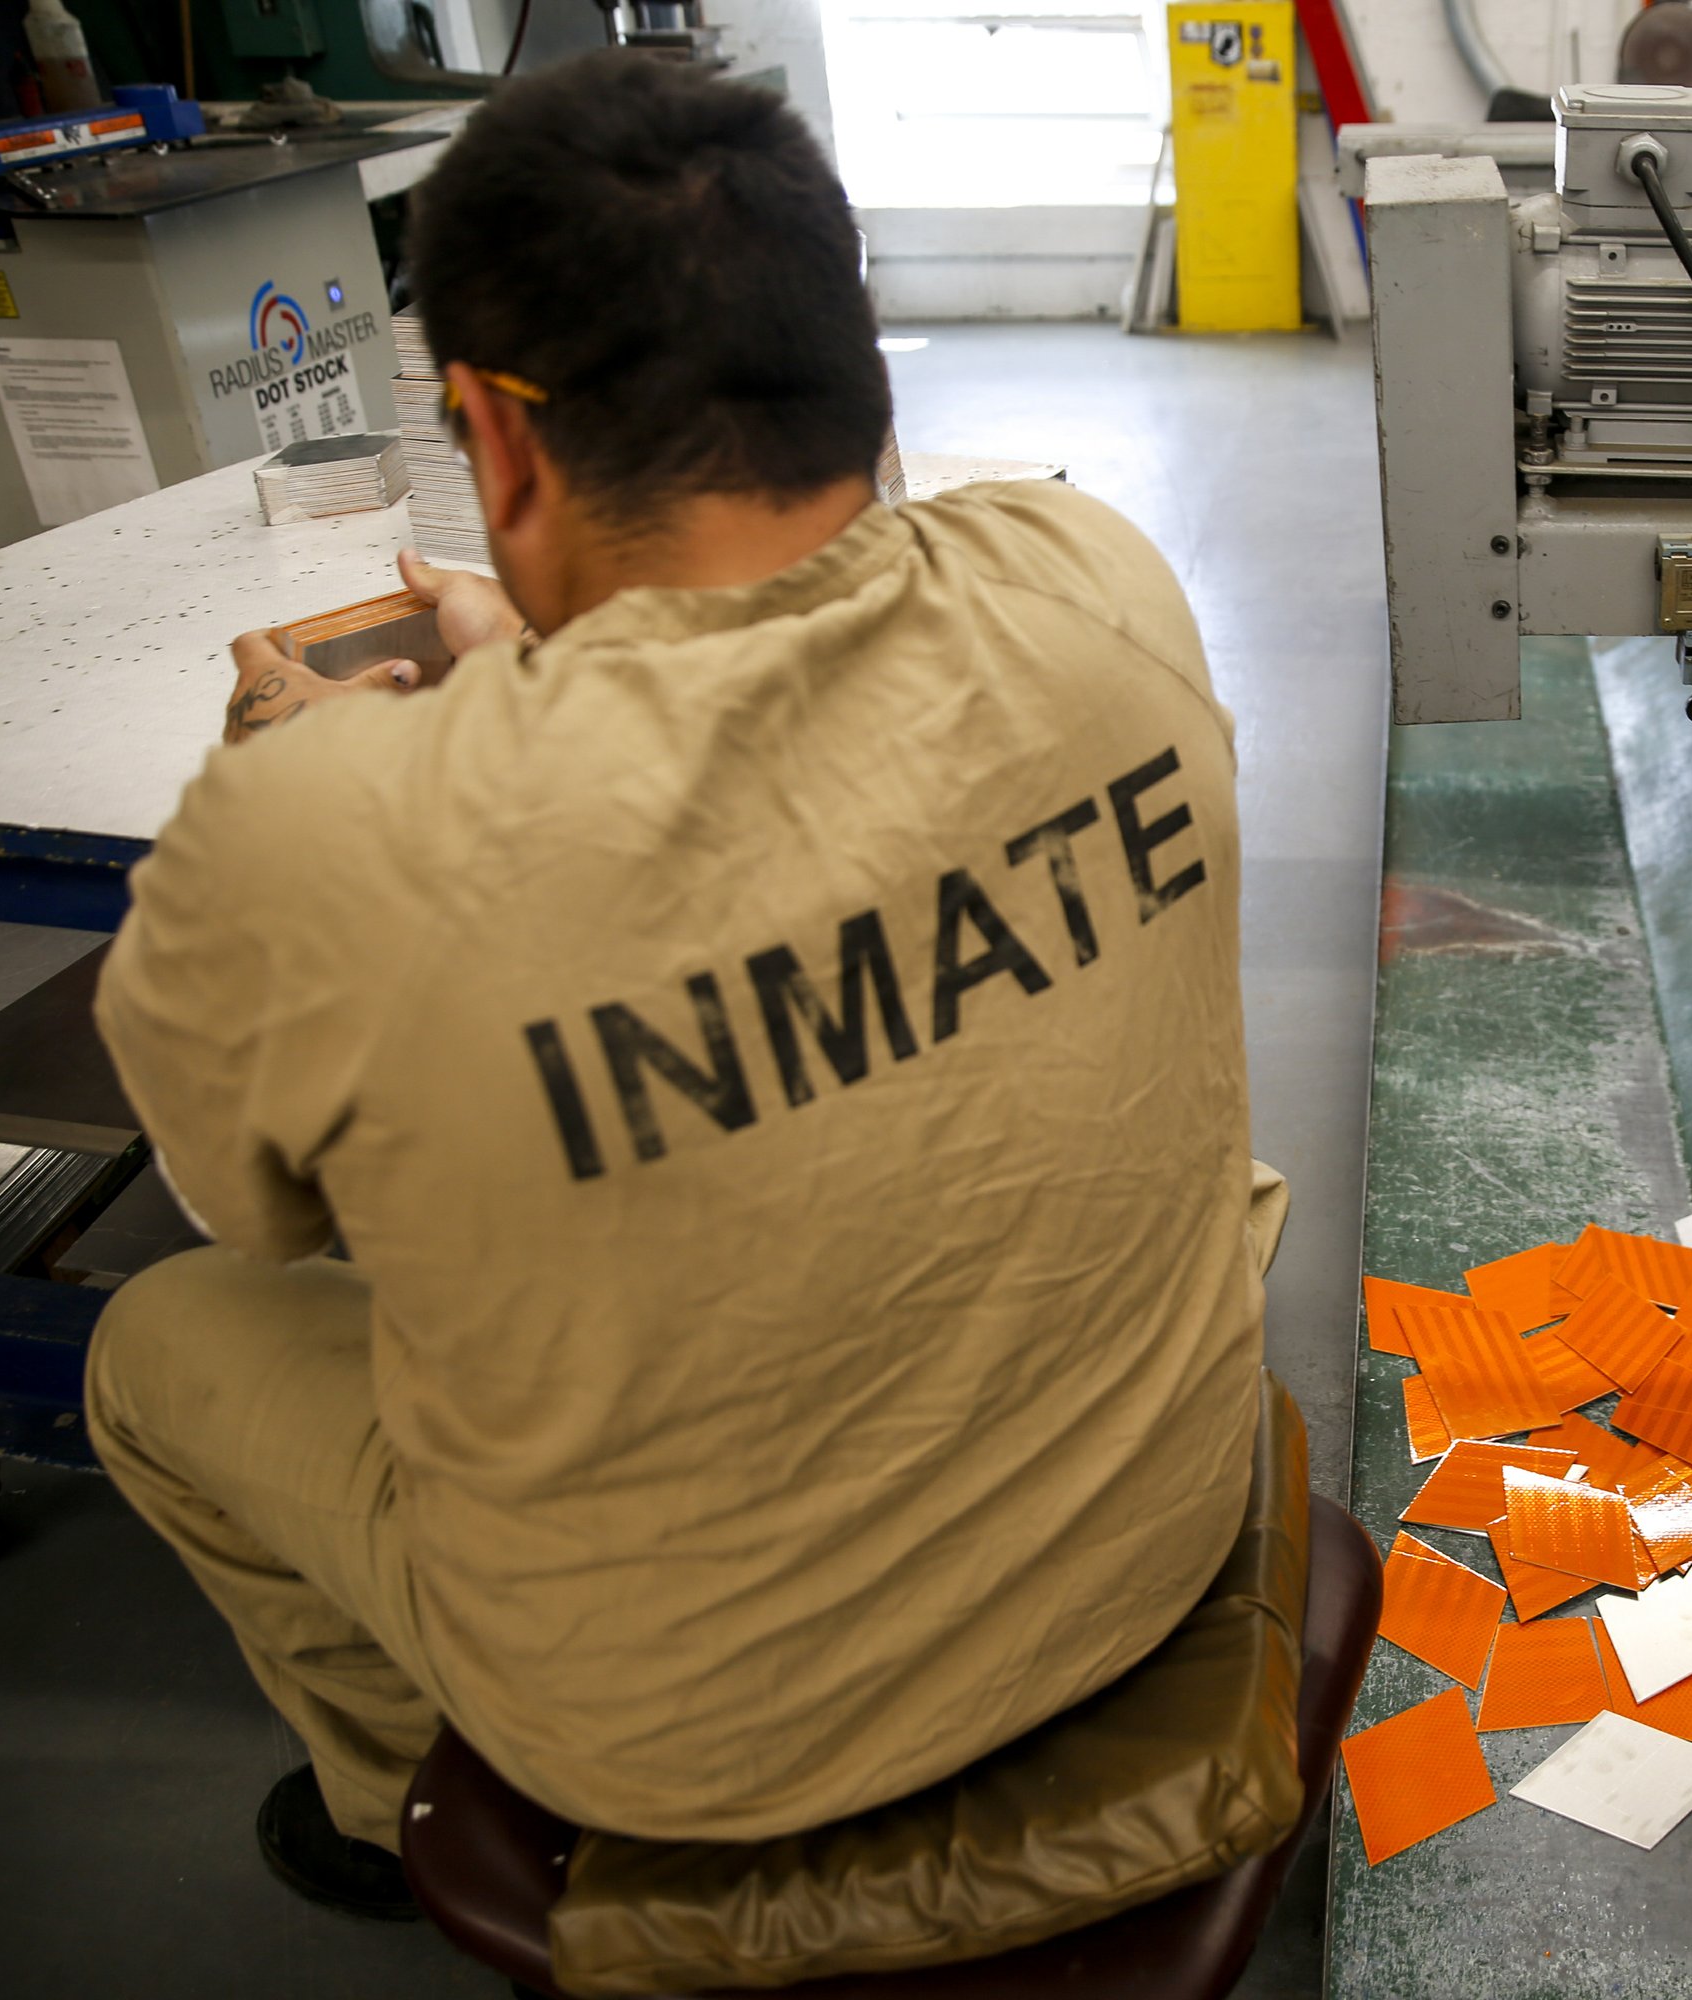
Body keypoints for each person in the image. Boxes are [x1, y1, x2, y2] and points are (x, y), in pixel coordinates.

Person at [84, 50, 1280, 1920]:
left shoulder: (319, 839)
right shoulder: (1092, 577)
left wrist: (352, 770)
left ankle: (388, 1795)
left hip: (695, 1749)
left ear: (489, 432)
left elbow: (250, 1208)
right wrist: (563, 667)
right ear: (854, 360)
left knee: (156, 1342)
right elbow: (810, 726)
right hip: (1162, 1552)